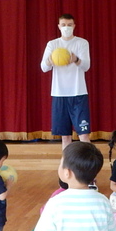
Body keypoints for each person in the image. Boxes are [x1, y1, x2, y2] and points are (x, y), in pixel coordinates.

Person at [40, 13, 91, 149]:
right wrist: (50, 60)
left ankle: (89, 167)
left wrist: (76, 60)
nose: (66, 27)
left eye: (69, 25)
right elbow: (43, 68)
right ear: (59, 26)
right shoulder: (52, 44)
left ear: (74, 26)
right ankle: (66, 168)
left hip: (78, 93)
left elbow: (86, 66)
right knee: (65, 137)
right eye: (63, 25)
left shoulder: (82, 43)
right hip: (59, 94)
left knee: (84, 135)